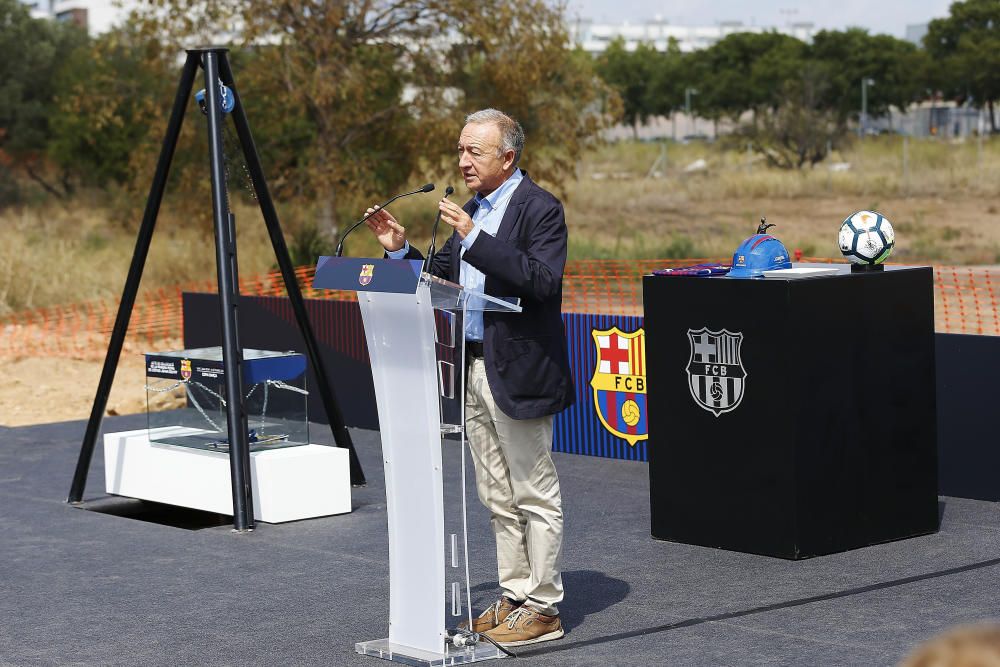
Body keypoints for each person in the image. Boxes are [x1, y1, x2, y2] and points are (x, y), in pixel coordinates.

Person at [364, 108, 574, 647]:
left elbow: (542, 282)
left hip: (520, 370)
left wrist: (475, 235)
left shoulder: (539, 209)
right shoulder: (472, 214)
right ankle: (515, 594)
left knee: (533, 491)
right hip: (472, 365)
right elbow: (441, 280)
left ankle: (545, 606)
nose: (463, 161)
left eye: (473, 152)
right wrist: (399, 250)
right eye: (460, 151)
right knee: (495, 494)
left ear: (508, 157)